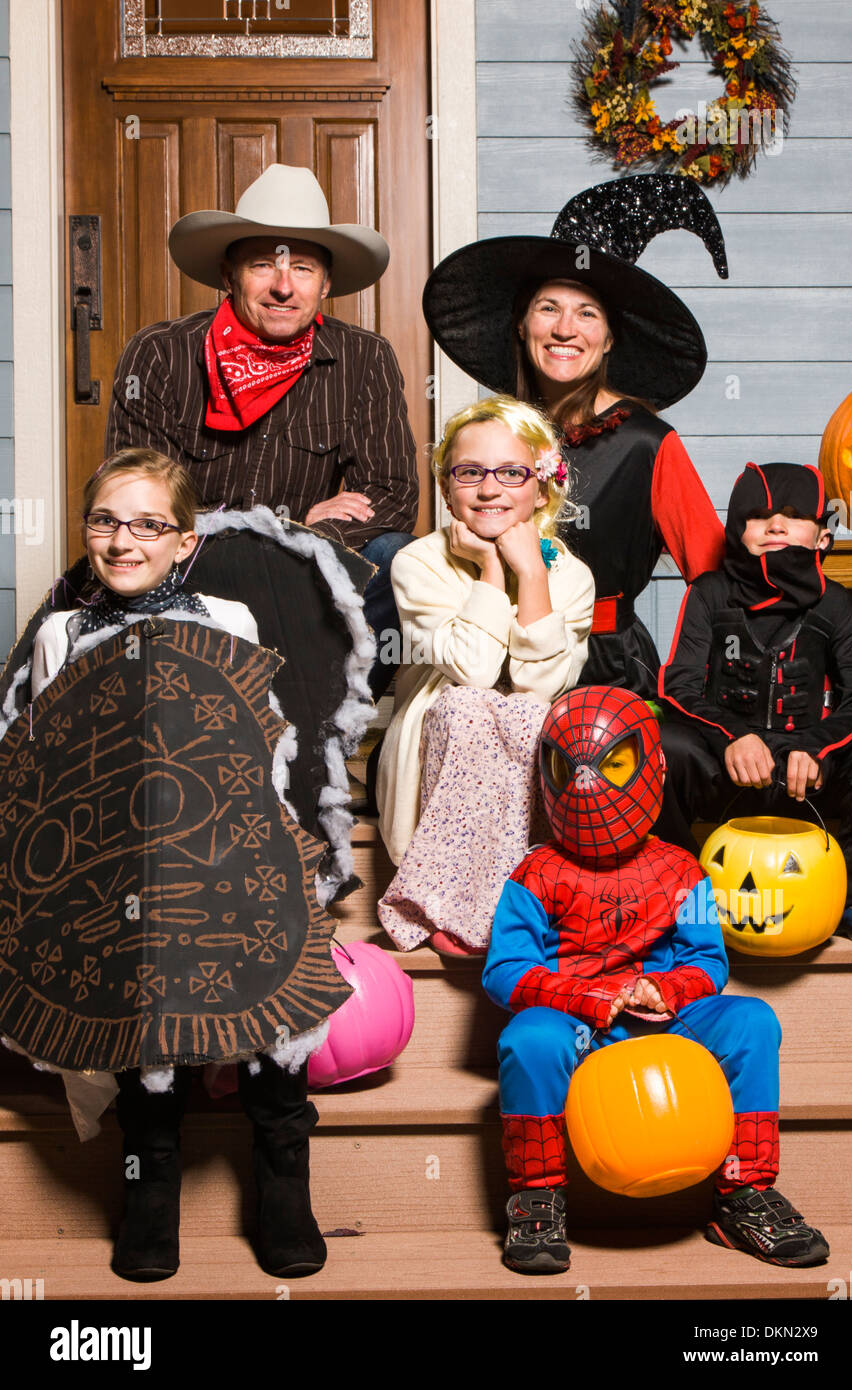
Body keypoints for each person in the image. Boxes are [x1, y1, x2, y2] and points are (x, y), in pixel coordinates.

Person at [6, 448, 348, 1283]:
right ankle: (149, 1185)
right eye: (105, 522)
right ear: (86, 531)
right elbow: (53, 766)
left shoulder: (226, 619)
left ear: (184, 541)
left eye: (148, 525)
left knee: (270, 956)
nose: (124, 541)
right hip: (112, 863)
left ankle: (282, 1180)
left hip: (223, 844)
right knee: (139, 968)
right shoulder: (61, 633)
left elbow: (258, 750)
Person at [483, 685, 830, 1273]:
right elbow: (506, 970)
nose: (590, 784)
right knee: (528, 1041)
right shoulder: (534, 873)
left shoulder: (683, 868)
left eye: (612, 766)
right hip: (578, 1021)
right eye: (571, 769)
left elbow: (708, 961)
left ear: (650, 765)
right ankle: (536, 1196)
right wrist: (586, 995)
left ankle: (743, 1194)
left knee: (751, 1021)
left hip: (668, 1017)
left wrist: (667, 991)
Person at [105, 162, 419, 701]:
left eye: (301, 268)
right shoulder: (159, 353)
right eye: (262, 267)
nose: (282, 287)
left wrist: (305, 545)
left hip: (308, 581)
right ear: (229, 275)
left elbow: (391, 493)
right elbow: (136, 502)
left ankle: (321, 718)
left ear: (326, 284)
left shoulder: (365, 358)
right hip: (190, 568)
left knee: (398, 556)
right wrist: (276, 535)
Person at [423, 174, 727, 697]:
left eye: (587, 313)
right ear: (521, 326)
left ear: (608, 339)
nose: (566, 329)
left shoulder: (647, 444)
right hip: (489, 660)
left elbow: (716, 580)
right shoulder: (490, 439)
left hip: (606, 670)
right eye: (549, 308)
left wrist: (703, 692)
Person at [376, 396, 594, 955]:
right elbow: (471, 670)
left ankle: (512, 897)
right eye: (470, 473)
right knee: (469, 705)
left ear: (541, 489)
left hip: (530, 747)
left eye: (512, 473)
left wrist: (532, 573)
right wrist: (493, 568)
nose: (489, 489)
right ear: (447, 488)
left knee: (523, 711)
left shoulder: (571, 577)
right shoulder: (417, 563)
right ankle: (442, 900)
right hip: (439, 738)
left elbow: (538, 686)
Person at [656, 461, 852, 942]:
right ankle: (679, 884)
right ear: (738, 533)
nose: (774, 524)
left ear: (821, 538)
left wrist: (818, 747)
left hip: (807, 777)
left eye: (792, 515)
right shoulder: (709, 594)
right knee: (659, 747)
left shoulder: (835, 603)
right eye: (758, 514)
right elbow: (680, 687)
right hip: (724, 768)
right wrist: (734, 736)